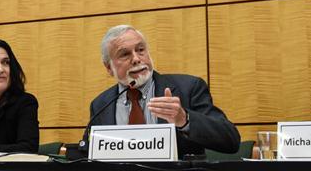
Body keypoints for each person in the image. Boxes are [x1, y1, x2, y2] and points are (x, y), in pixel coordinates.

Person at [86, 25, 239, 157]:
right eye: (125, 54)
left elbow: (231, 140)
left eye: (140, 50)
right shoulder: (101, 104)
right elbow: (87, 152)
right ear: (108, 67)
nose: (136, 59)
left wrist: (184, 119)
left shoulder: (188, 88)